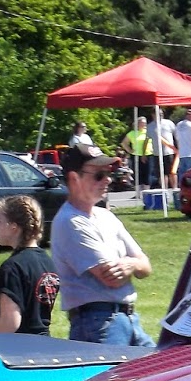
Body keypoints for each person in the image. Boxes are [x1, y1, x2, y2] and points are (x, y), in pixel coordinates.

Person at [49, 145, 155, 347]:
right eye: (99, 175)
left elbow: (145, 266)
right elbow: (110, 278)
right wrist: (133, 264)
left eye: (108, 173)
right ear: (74, 179)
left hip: (128, 319)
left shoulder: (106, 216)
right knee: (111, 379)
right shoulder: (70, 221)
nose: (107, 180)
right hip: (98, 322)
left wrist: (130, 266)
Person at [0, 195, 60, 336]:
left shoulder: (13, 267)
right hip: (43, 347)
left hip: (17, 351)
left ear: (14, 226)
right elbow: (28, 304)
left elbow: (9, 324)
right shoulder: (47, 262)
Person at [118, 116, 152, 188]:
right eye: (142, 123)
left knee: (147, 173)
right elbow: (124, 143)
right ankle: (138, 191)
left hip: (148, 154)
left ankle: (146, 190)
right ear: (138, 123)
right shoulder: (132, 133)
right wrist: (130, 150)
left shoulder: (148, 132)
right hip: (136, 155)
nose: (144, 125)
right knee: (138, 173)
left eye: (145, 123)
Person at [154, 111, 177, 188]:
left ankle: (175, 189)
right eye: (158, 114)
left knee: (172, 172)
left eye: (161, 114)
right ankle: (164, 190)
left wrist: (178, 147)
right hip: (157, 153)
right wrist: (144, 153)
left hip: (169, 152)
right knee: (161, 173)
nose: (160, 115)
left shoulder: (169, 123)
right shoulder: (150, 126)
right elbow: (147, 140)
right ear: (153, 115)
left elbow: (176, 135)